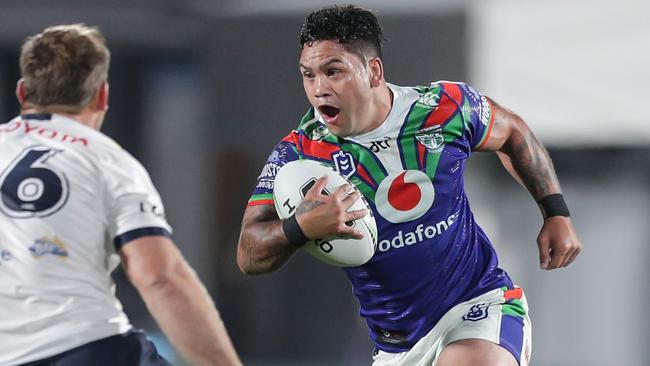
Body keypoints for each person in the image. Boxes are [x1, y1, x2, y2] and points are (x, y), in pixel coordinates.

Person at [237, 5, 583, 366]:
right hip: (396, 347)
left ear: (373, 71)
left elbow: (512, 131)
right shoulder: (300, 156)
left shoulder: (443, 108)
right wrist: (300, 227)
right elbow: (248, 253)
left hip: (479, 304)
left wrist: (555, 211)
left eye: (333, 71)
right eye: (308, 75)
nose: (319, 88)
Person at [0, 24, 241, 366]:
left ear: (22, 92)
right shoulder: (107, 160)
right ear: (102, 96)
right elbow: (159, 276)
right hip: (83, 347)